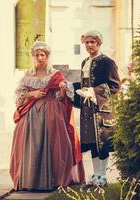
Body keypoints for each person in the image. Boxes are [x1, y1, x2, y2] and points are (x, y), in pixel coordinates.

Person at [10, 41, 85, 191]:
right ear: (33, 56)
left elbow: (61, 97)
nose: (39, 57)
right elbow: (20, 93)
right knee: (31, 146)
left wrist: (63, 89)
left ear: (47, 56)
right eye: (36, 55)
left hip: (51, 113)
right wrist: (33, 94)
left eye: (42, 55)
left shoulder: (55, 74)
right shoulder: (28, 74)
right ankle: (29, 181)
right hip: (30, 115)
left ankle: (52, 180)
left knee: (53, 144)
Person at [74, 30, 120, 187]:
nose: (89, 45)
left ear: (99, 43)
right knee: (92, 142)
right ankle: (96, 176)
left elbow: (115, 86)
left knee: (103, 142)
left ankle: (103, 176)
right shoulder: (84, 62)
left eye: (92, 42)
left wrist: (94, 91)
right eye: (86, 42)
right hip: (87, 109)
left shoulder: (107, 62)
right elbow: (83, 85)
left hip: (102, 109)